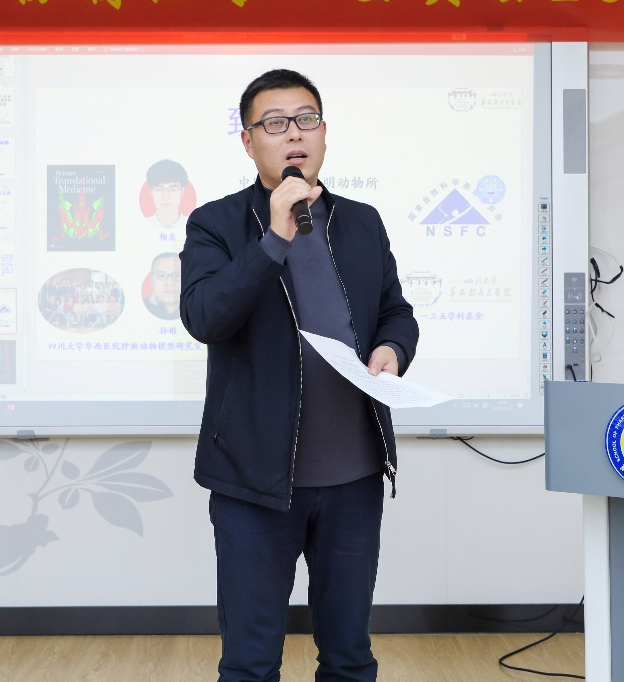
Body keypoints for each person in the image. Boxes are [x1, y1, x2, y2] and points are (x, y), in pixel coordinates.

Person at [180, 68, 419, 682]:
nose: (294, 134)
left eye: (306, 120)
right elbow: (205, 317)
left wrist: (392, 348)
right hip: (254, 482)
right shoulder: (215, 224)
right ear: (248, 141)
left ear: (324, 133)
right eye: (275, 124)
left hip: (354, 479)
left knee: (349, 657)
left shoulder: (362, 221)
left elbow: (396, 311)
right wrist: (273, 241)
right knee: (251, 663)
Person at [145, 159, 190, 230]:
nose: (166, 196)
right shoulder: (142, 225)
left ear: (182, 191)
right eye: (159, 189)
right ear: (151, 192)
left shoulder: (194, 225)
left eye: (172, 189)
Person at [144, 252, 182, 320]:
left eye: (177, 275)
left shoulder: (197, 306)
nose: (170, 283)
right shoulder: (141, 305)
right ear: (152, 280)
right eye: (161, 275)